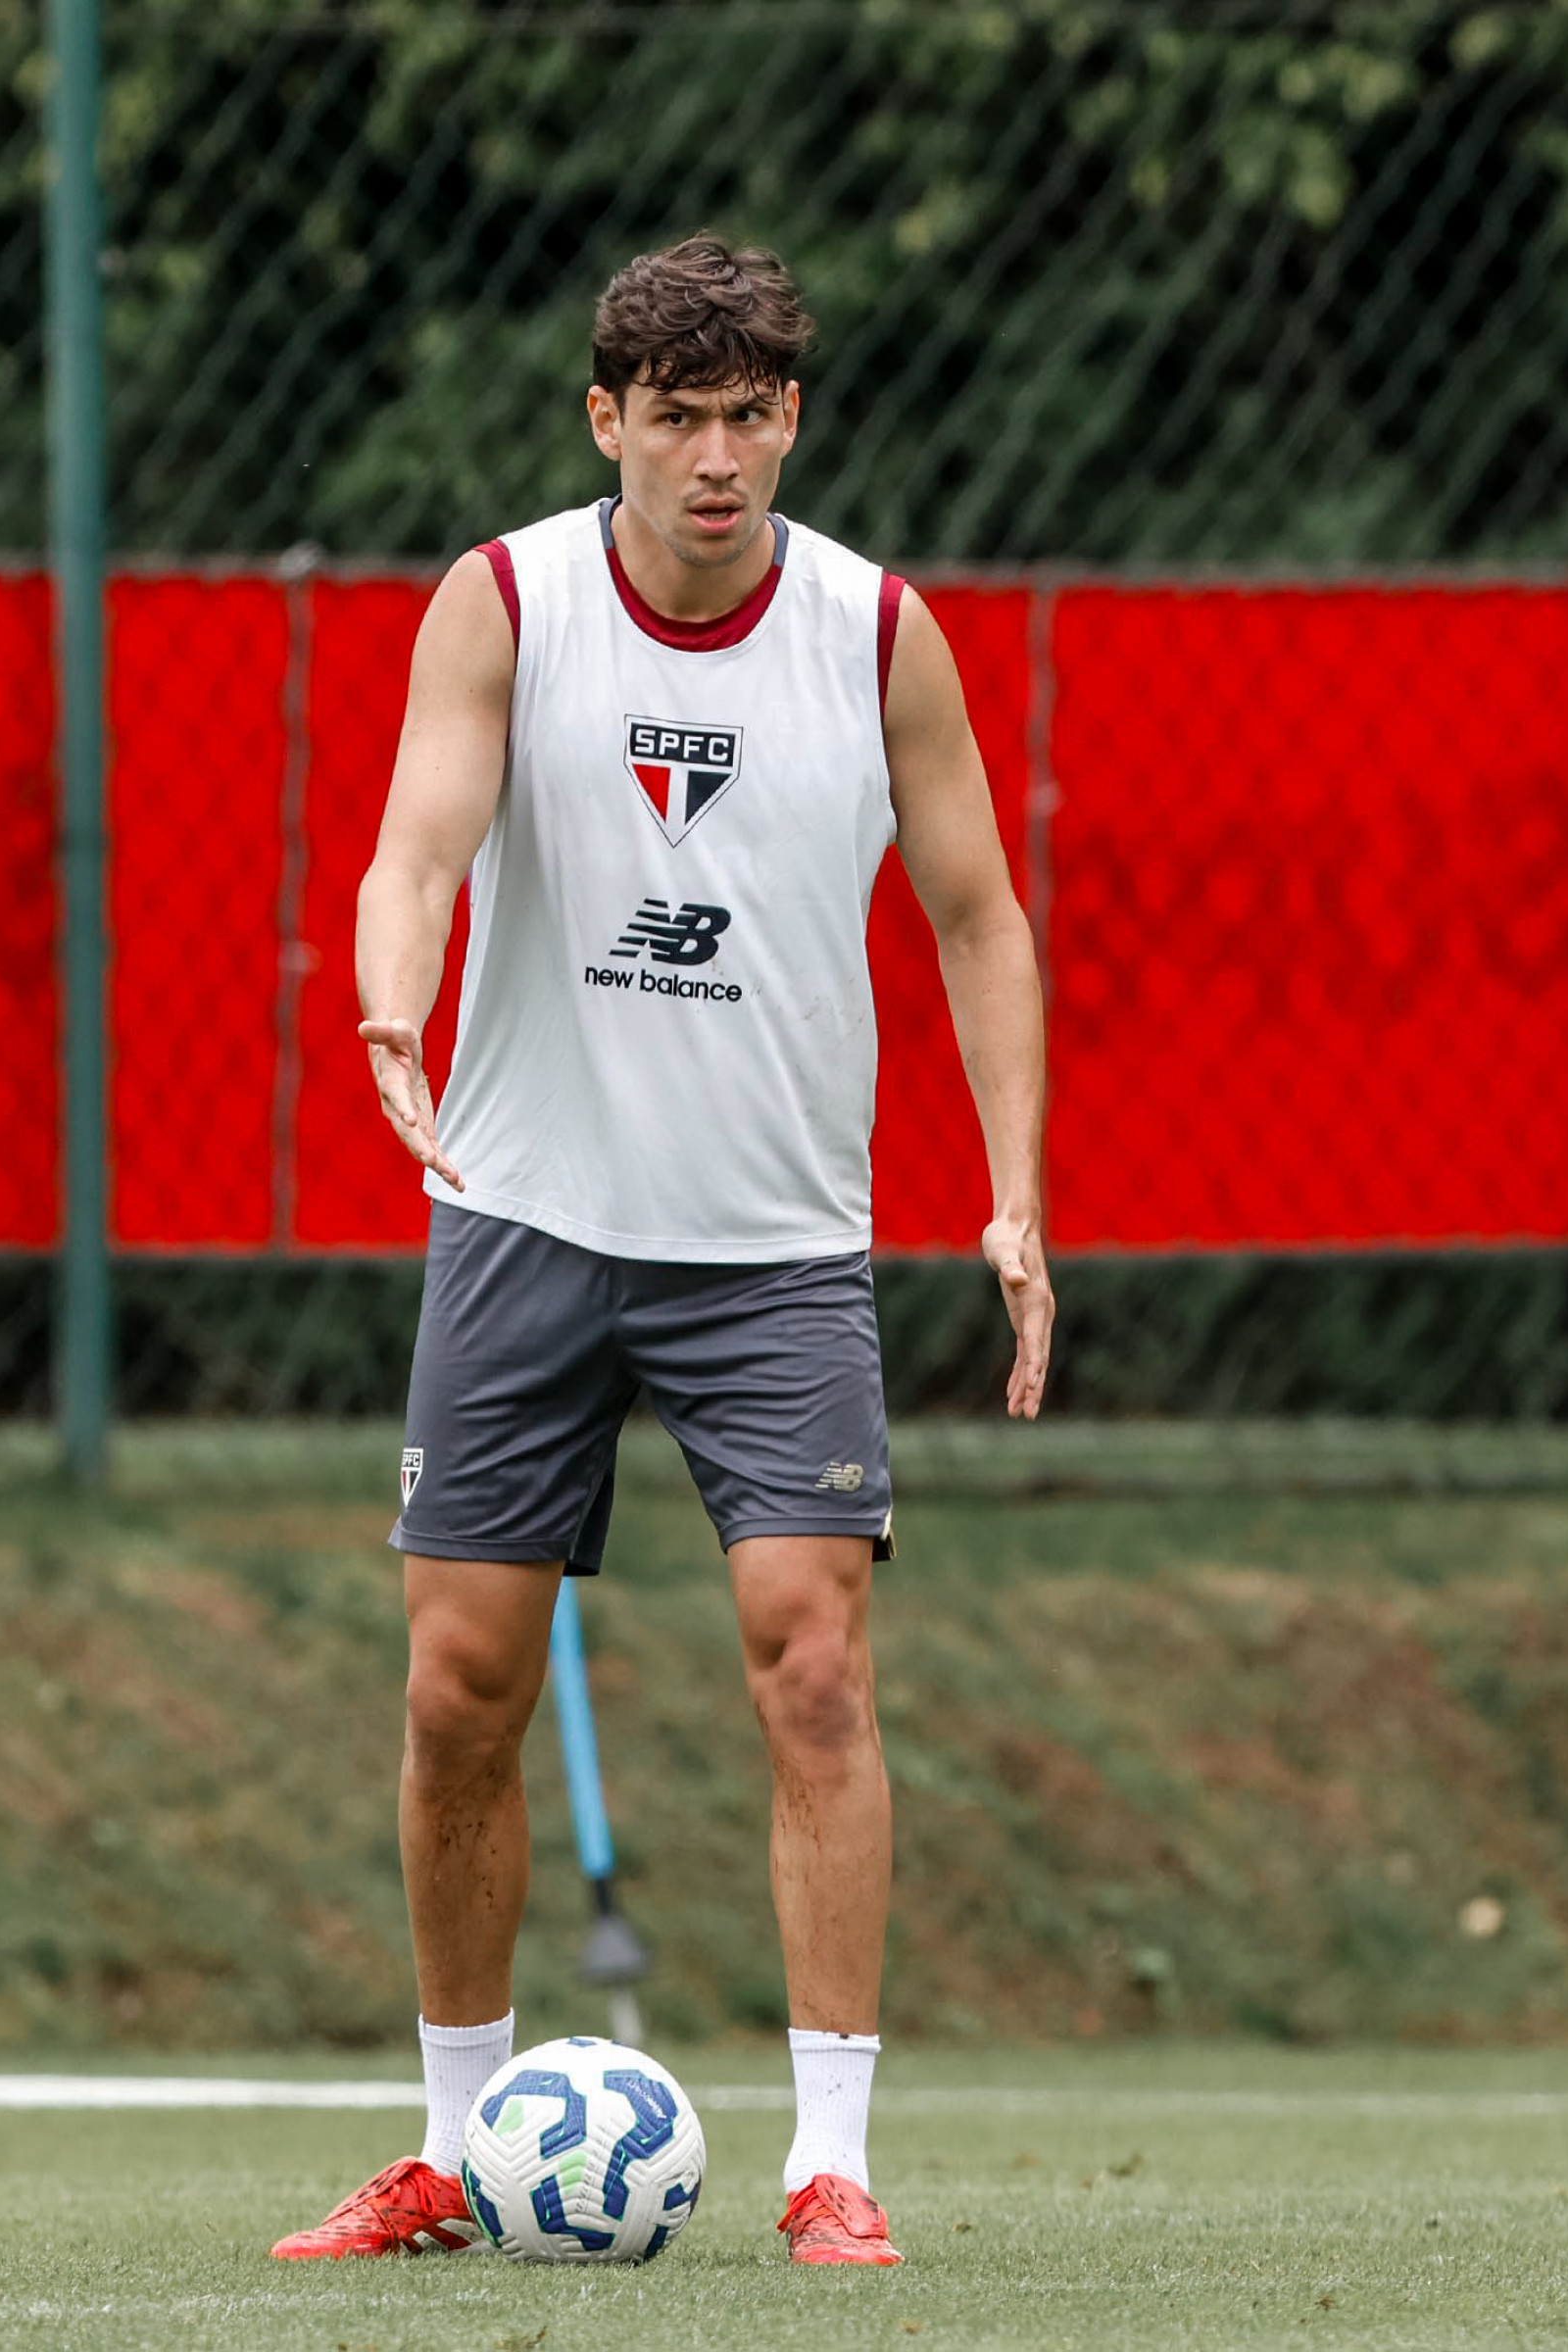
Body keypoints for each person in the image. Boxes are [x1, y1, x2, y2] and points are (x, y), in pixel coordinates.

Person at [270, 234, 1052, 2270]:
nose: (716, 459)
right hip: (525, 1215)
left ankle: (830, 2167)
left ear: (792, 420)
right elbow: (417, 842)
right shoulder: (508, 600)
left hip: (773, 1246)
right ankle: (453, 2151)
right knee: (460, 1687)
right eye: (677, 417)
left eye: (750, 416)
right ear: (605, 419)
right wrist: (390, 999)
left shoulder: (878, 633)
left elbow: (980, 915)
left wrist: (1014, 1190)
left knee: (815, 1665)